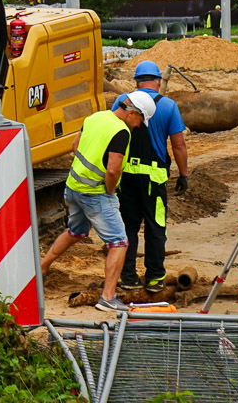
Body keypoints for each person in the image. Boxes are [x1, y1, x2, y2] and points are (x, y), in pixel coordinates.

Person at [40, 90, 156, 312]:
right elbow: (113, 170)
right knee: (119, 242)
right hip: (95, 194)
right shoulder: (121, 132)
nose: (140, 126)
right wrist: (110, 192)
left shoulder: (96, 117)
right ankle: (108, 297)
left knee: (76, 232)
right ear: (133, 113)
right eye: (141, 120)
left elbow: (75, 145)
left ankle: (42, 267)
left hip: (73, 188)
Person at [112, 60, 191, 293]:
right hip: (153, 180)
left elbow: (111, 132)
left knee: (128, 226)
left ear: (135, 82)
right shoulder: (168, 106)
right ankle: (155, 277)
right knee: (156, 227)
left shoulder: (122, 102)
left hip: (125, 177)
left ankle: (128, 276)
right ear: (158, 81)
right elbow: (178, 145)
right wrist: (184, 174)